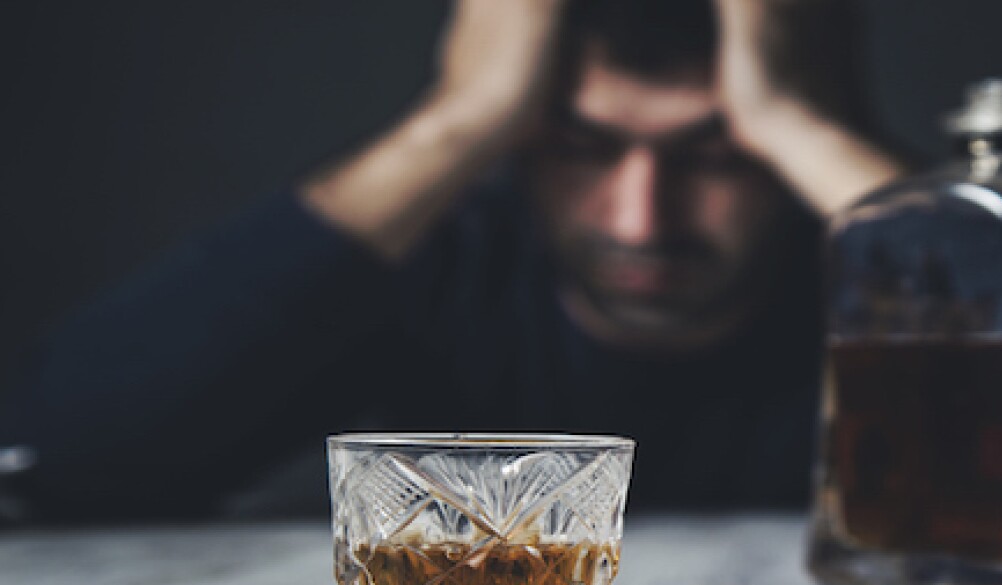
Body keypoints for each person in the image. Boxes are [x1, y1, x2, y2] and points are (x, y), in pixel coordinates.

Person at [0, 0, 906, 522]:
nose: (641, 219)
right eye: (581, 146)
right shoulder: (452, 262)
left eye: (720, 154)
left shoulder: (899, 282)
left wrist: (801, 121)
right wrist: (457, 118)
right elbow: (52, 453)